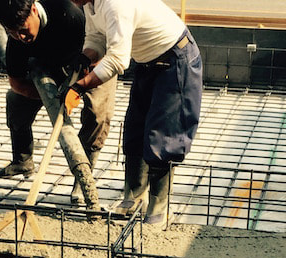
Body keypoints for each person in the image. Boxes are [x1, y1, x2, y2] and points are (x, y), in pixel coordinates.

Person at [63, 0, 202, 226]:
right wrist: (85, 56)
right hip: (147, 62)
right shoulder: (90, 5)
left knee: (164, 135)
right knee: (135, 129)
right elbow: (96, 37)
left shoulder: (116, 5)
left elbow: (117, 60)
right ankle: (133, 198)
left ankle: (158, 208)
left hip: (174, 59)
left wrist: (80, 87)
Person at [0, 0, 116, 204]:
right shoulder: (17, 42)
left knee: (97, 114)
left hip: (93, 63)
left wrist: (79, 86)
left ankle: (83, 177)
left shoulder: (70, 15)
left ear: (33, 10)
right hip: (52, 68)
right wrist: (53, 99)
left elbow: (104, 50)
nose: (20, 37)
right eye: (12, 33)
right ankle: (22, 161)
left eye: (23, 30)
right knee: (15, 101)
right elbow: (17, 84)